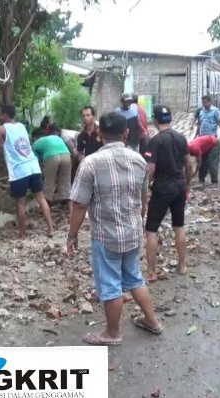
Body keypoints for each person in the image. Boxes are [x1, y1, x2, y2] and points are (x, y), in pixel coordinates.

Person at [67, 112, 163, 344]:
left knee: (110, 284)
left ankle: (112, 333)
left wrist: (72, 235)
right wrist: (138, 220)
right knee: (134, 278)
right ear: (126, 133)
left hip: (105, 235)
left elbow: (79, 204)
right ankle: (152, 321)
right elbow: (142, 199)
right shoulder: (139, 161)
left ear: (100, 134)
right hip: (132, 232)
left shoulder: (90, 163)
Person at [0, 105, 55, 239]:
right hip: (33, 166)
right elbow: (10, 143)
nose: (0, 118)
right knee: (41, 198)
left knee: (21, 202)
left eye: (1, 115)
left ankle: (23, 234)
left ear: (5, 115)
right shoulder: (21, 126)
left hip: (19, 170)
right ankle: (51, 229)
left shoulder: (1, 129)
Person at [143, 105, 192, 281]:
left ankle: (150, 271)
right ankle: (182, 265)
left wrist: (145, 188)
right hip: (179, 186)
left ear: (155, 120)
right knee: (179, 226)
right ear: (169, 119)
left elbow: (151, 168)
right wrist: (187, 185)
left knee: (152, 229)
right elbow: (188, 163)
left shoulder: (155, 141)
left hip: (162, 187)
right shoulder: (181, 138)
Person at [32, 123, 72, 217]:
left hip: (51, 157)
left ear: (35, 137)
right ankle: (71, 212)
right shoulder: (57, 138)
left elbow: (35, 162)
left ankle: (46, 211)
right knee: (66, 184)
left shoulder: (34, 145)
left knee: (48, 183)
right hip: (66, 155)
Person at [194, 96, 220, 184]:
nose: (204, 104)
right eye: (203, 103)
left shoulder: (215, 111)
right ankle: (201, 179)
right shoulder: (201, 111)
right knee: (203, 160)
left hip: (212, 140)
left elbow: (219, 122)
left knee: (212, 161)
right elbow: (199, 123)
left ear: (210, 102)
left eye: (205, 103)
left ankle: (214, 181)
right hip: (202, 140)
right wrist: (196, 134)